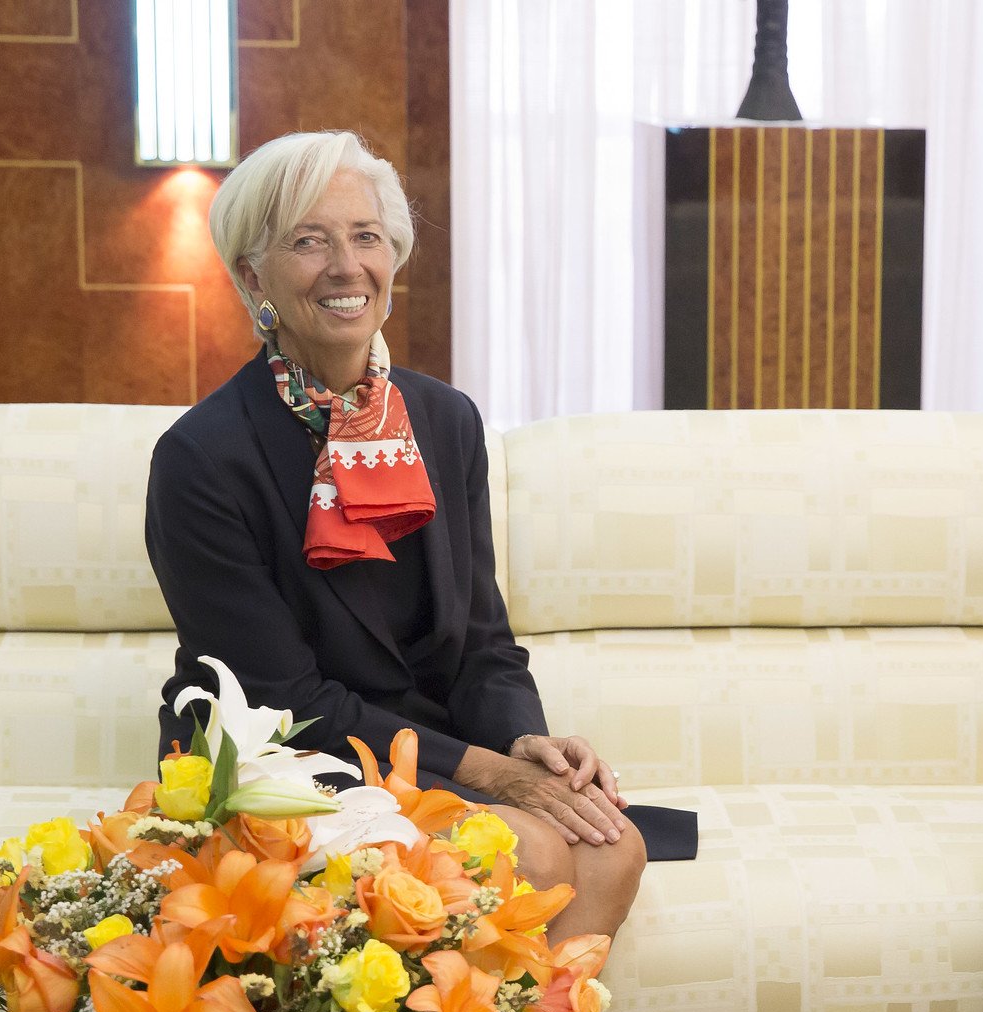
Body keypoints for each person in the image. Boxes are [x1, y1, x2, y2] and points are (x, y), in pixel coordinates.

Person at [146, 130, 693, 941]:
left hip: (427, 743)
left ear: (392, 259)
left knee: (617, 847)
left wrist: (526, 744)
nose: (345, 265)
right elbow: (282, 701)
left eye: (365, 236)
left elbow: (482, 642)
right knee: (535, 852)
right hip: (287, 759)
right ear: (252, 274)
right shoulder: (200, 458)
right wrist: (488, 774)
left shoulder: (444, 421)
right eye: (308, 241)